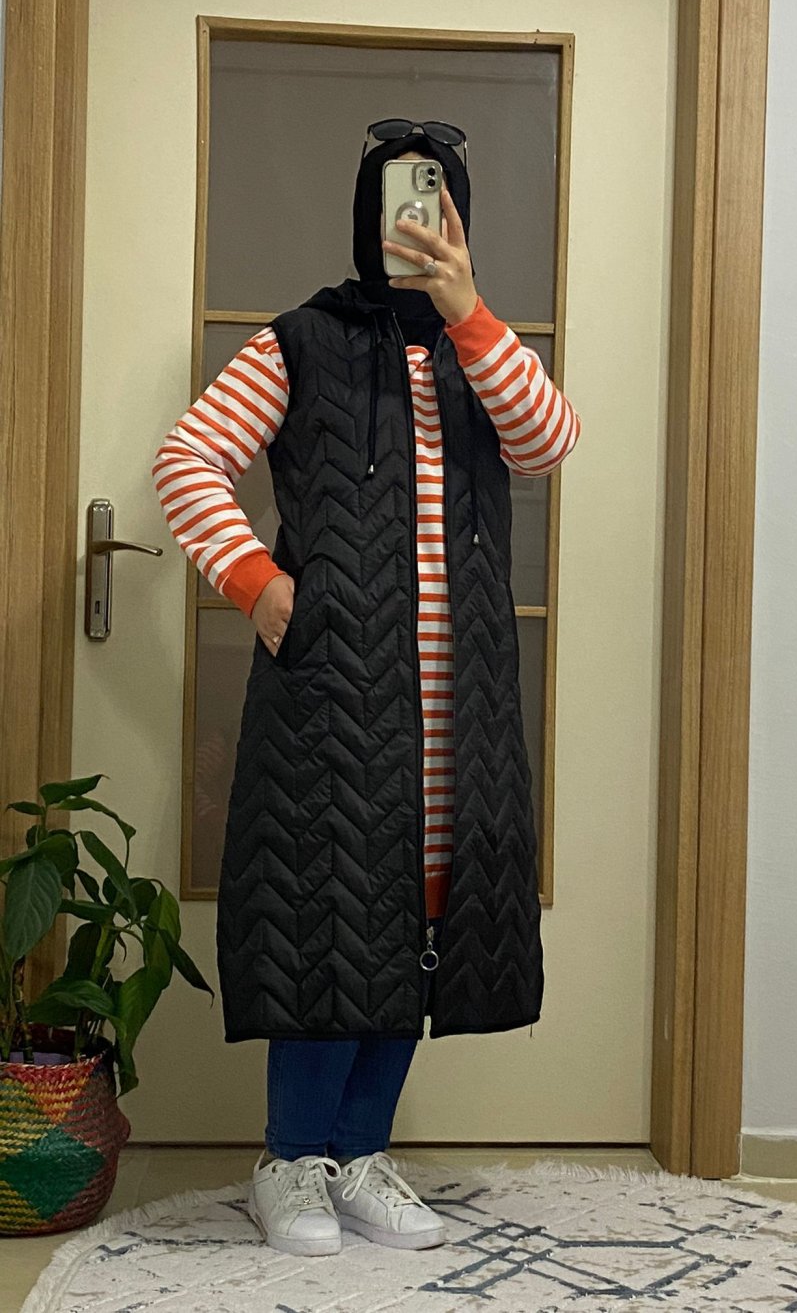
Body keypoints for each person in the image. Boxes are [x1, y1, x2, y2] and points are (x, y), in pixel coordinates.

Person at [151, 117, 581, 1258]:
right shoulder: (300, 340)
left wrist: (467, 307)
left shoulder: (484, 349)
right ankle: (290, 1161)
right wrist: (256, 583)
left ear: (460, 218)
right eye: (398, 201)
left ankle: (360, 1153)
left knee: (421, 919)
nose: (415, 223)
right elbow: (187, 459)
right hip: (333, 698)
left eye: (435, 203)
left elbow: (548, 443)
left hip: (459, 708)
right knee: (324, 910)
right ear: (365, 214)